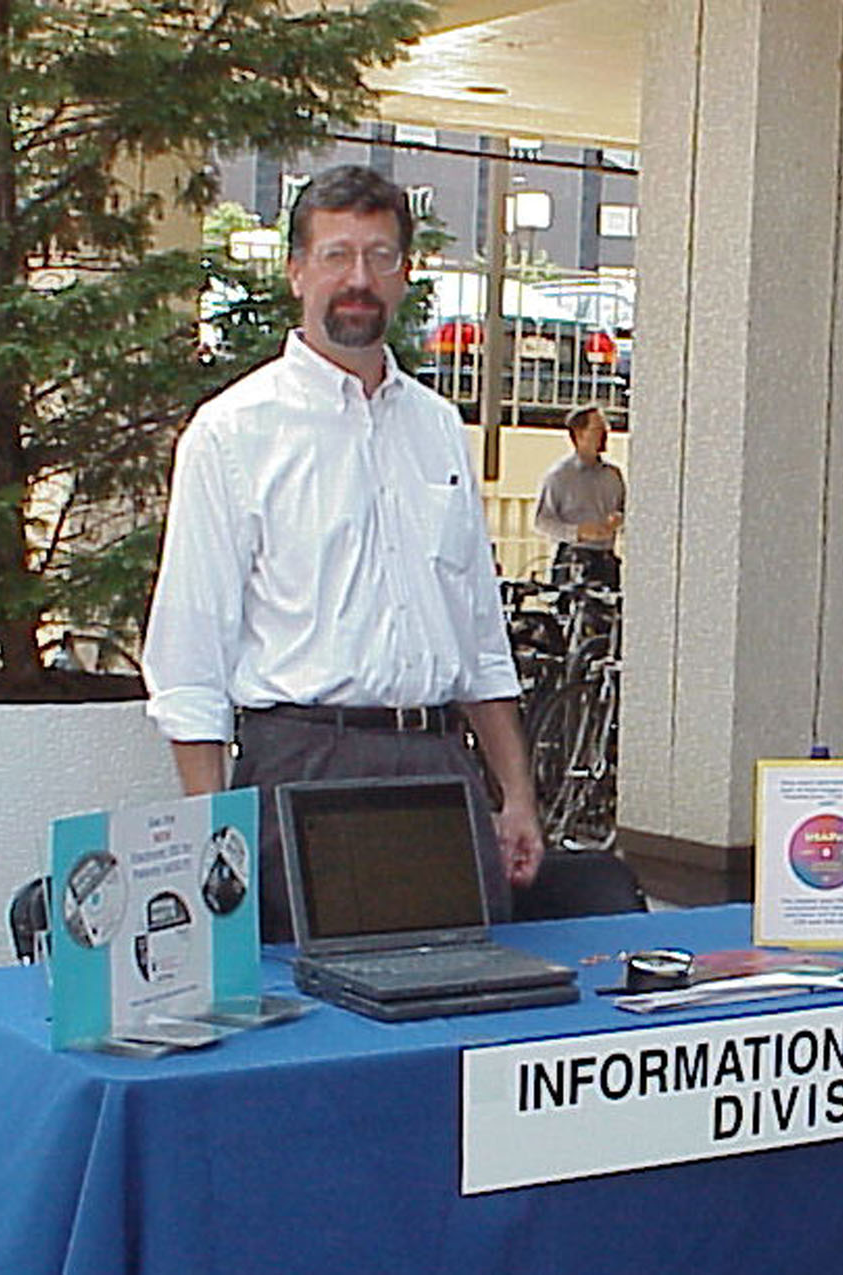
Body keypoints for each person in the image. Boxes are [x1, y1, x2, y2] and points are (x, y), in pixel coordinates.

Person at [142, 164, 540, 943]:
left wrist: (516, 793)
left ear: (405, 274)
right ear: (296, 271)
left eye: (380, 256)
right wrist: (212, 839)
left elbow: (479, 639)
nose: (358, 279)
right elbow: (190, 664)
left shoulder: (435, 427)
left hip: (436, 768)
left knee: (457, 1010)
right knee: (315, 1029)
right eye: (336, 255)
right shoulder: (232, 434)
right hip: (303, 768)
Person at [532, 404, 625, 587]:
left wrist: (618, 519)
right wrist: (578, 532)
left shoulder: (613, 475)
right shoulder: (559, 476)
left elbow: (626, 510)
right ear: (579, 434)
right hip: (572, 559)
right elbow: (542, 521)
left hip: (606, 560)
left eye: (606, 429)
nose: (605, 435)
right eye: (598, 429)